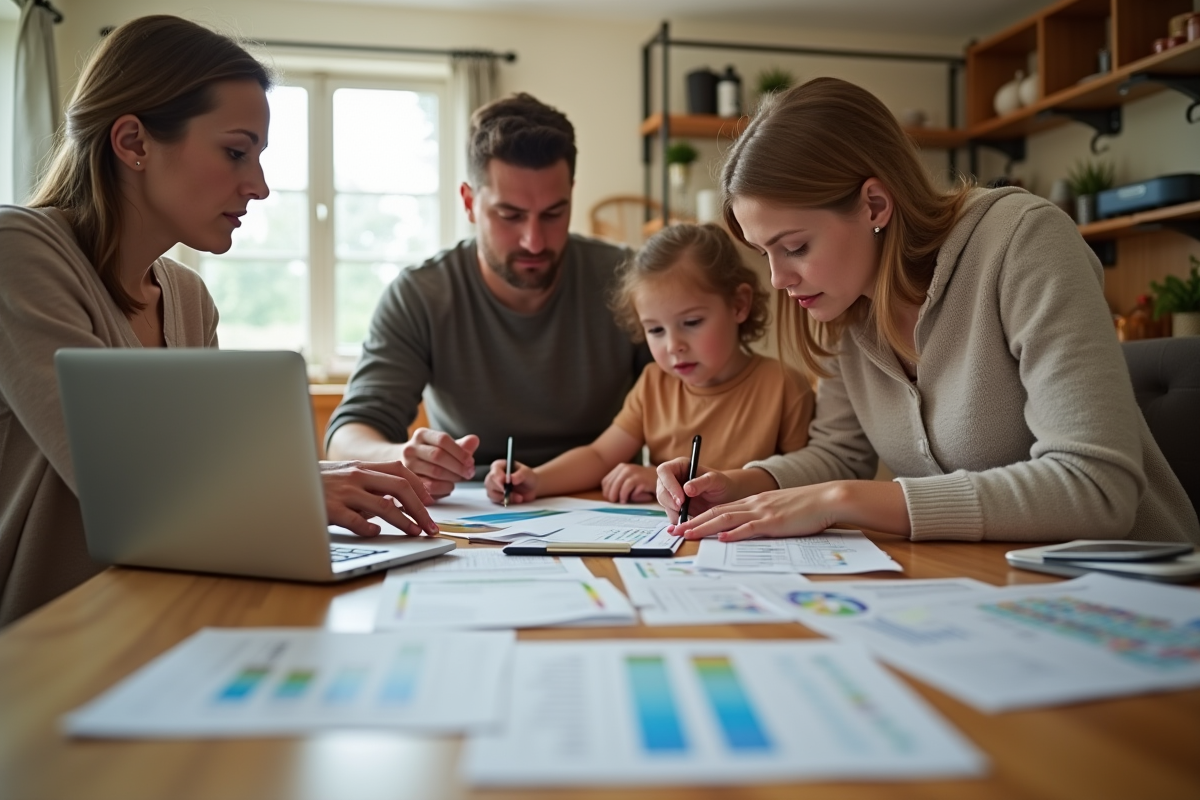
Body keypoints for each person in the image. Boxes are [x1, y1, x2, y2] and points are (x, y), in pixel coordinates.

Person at [0, 16, 438, 627]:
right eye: (235, 152)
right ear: (133, 143)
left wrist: (327, 475)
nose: (257, 186)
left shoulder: (188, 298)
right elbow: (124, 483)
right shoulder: (17, 250)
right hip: (51, 640)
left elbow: (193, 470)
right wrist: (297, 490)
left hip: (163, 614)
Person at [658, 77, 1200, 545]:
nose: (778, 278)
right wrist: (742, 484)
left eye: (795, 247)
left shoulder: (1021, 241)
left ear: (874, 204)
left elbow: (1095, 487)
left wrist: (847, 499)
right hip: (1000, 586)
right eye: (764, 253)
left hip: (1142, 596)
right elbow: (840, 456)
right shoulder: (846, 307)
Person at [325, 94, 649, 500]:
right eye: (509, 215)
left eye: (553, 213)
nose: (534, 241)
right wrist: (400, 456)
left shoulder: (629, 279)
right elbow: (348, 436)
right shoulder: (421, 294)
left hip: (607, 500)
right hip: (471, 504)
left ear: (571, 194)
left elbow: (697, 398)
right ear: (469, 202)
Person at [483, 223, 812, 504]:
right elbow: (599, 456)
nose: (673, 346)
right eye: (655, 329)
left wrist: (669, 481)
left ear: (739, 305)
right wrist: (536, 479)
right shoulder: (654, 384)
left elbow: (806, 481)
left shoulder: (784, 386)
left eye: (692, 322)